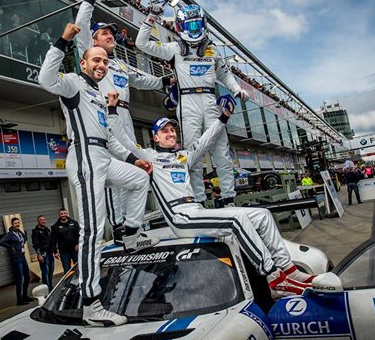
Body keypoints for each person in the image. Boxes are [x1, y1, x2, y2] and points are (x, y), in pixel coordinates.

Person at [107, 91, 313, 300]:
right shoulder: (148, 157)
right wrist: (113, 110)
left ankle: (289, 269)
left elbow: (205, 140)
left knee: (262, 215)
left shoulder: (183, 157)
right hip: (180, 218)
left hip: (196, 210)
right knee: (237, 219)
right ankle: (274, 278)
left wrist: (223, 117)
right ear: (155, 137)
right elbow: (123, 139)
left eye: (172, 130)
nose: (170, 133)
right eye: (164, 131)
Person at [38, 23, 159, 326]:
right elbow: (45, 78)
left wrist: (135, 159)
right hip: (84, 157)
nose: (102, 65)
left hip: (103, 154)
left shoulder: (98, 95)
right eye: (96, 60)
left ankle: (130, 234)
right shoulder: (73, 84)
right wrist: (63, 40)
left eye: (105, 61)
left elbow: (112, 139)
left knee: (139, 178)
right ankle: (91, 303)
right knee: (92, 230)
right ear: (83, 62)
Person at [74, 0, 172, 244]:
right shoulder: (88, 52)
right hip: (104, 115)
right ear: (93, 41)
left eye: (111, 34)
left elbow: (143, 80)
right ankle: (118, 227)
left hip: (126, 119)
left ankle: (132, 227)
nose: (110, 36)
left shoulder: (118, 64)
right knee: (112, 172)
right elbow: (81, 28)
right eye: (105, 33)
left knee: (135, 169)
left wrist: (166, 82)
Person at [136, 3, 250, 208]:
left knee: (221, 152)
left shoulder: (212, 50)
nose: (194, 29)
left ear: (204, 23)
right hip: (187, 102)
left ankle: (228, 198)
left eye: (197, 24)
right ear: (180, 26)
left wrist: (236, 89)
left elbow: (224, 73)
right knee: (193, 154)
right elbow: (142, 43)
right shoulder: (174, 48)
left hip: (209, 101)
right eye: (190, 25)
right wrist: (151, 17)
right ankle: (199, 199)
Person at [0, 217, 34, 305]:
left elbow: (25, 238)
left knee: (27, 276)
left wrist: (20, 244)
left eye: (18, 223)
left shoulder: (19, 232)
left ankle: (25, 296)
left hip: (22, 256)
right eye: (15, 223)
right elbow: (1, 242)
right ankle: (19, 300)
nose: (17, 224)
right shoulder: (10, 234)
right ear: (12, 224)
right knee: (19, 279)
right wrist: (11, 247)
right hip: (16, 257)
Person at [51, 208, 79, 273]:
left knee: (79, 267)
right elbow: (53, 240)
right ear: (59, 215)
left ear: (67, 213)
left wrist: (78, 244)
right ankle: (68, 282)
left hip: (75, 249)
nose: (63, 215)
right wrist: (55, 252)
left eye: (64, 213)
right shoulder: (55, 226)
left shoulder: (74, 223)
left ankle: (80, 282)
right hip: (64, 252)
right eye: (61, 214)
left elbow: (79, 235)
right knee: (67, 269)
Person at [32, 215, 54, 291]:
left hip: (50, 253)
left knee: (51, 271)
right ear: (38, 221)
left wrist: (55, 251)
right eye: (41, 220)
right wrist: (39, 255)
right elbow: (35, 244)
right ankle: (46, 290)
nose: (43, 221)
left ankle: (50, 287)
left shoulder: (47, 230)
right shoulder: (36, 232)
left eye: (44, 220)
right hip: (43, 253)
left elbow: (51, 242)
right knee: (45, 272)